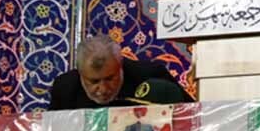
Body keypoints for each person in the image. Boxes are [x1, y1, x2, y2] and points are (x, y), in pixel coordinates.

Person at [49, 34, 191, 110]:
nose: (103, 89)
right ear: (80, 73)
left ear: (120, 66)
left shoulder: (151, 76)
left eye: (110, 78)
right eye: (94, 82)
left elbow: (191, 114)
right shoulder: (65, 89)